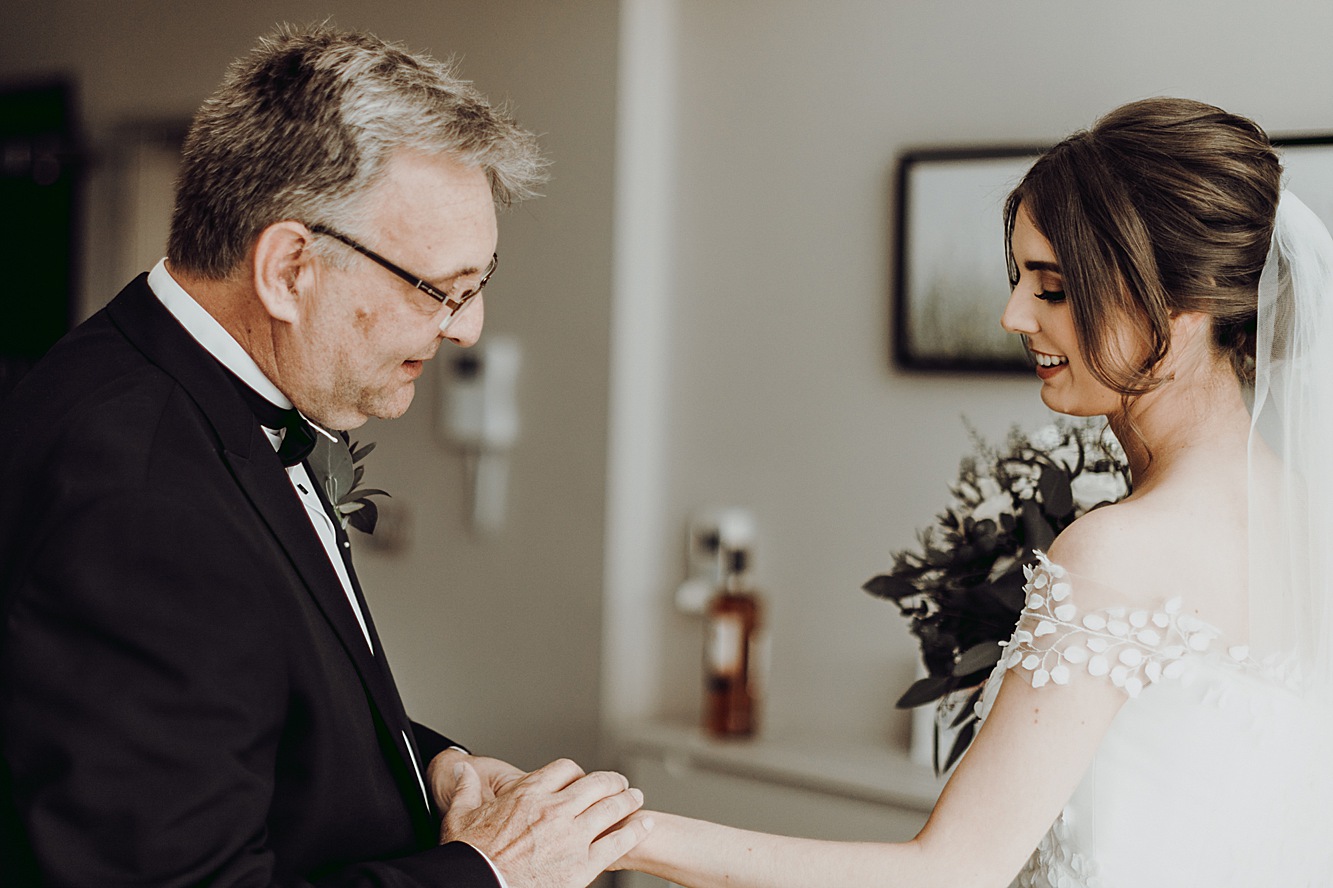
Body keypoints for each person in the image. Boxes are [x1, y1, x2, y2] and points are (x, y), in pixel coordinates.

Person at [614, 98, 1333, 887]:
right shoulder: (1306, 515)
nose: (1012, 314)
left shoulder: (1117, 552)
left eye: (1052, 288)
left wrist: (618, 836)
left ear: (1182, 309)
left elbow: (950, 872)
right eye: (1017, 278)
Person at [0, 25, 650, 888]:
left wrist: (433, 770)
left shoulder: (178, 385)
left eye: (477, 285)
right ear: (290, 268)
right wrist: (492, 873)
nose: (467, 328)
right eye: (439, 290)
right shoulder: (141, 499)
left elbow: (229, 717)